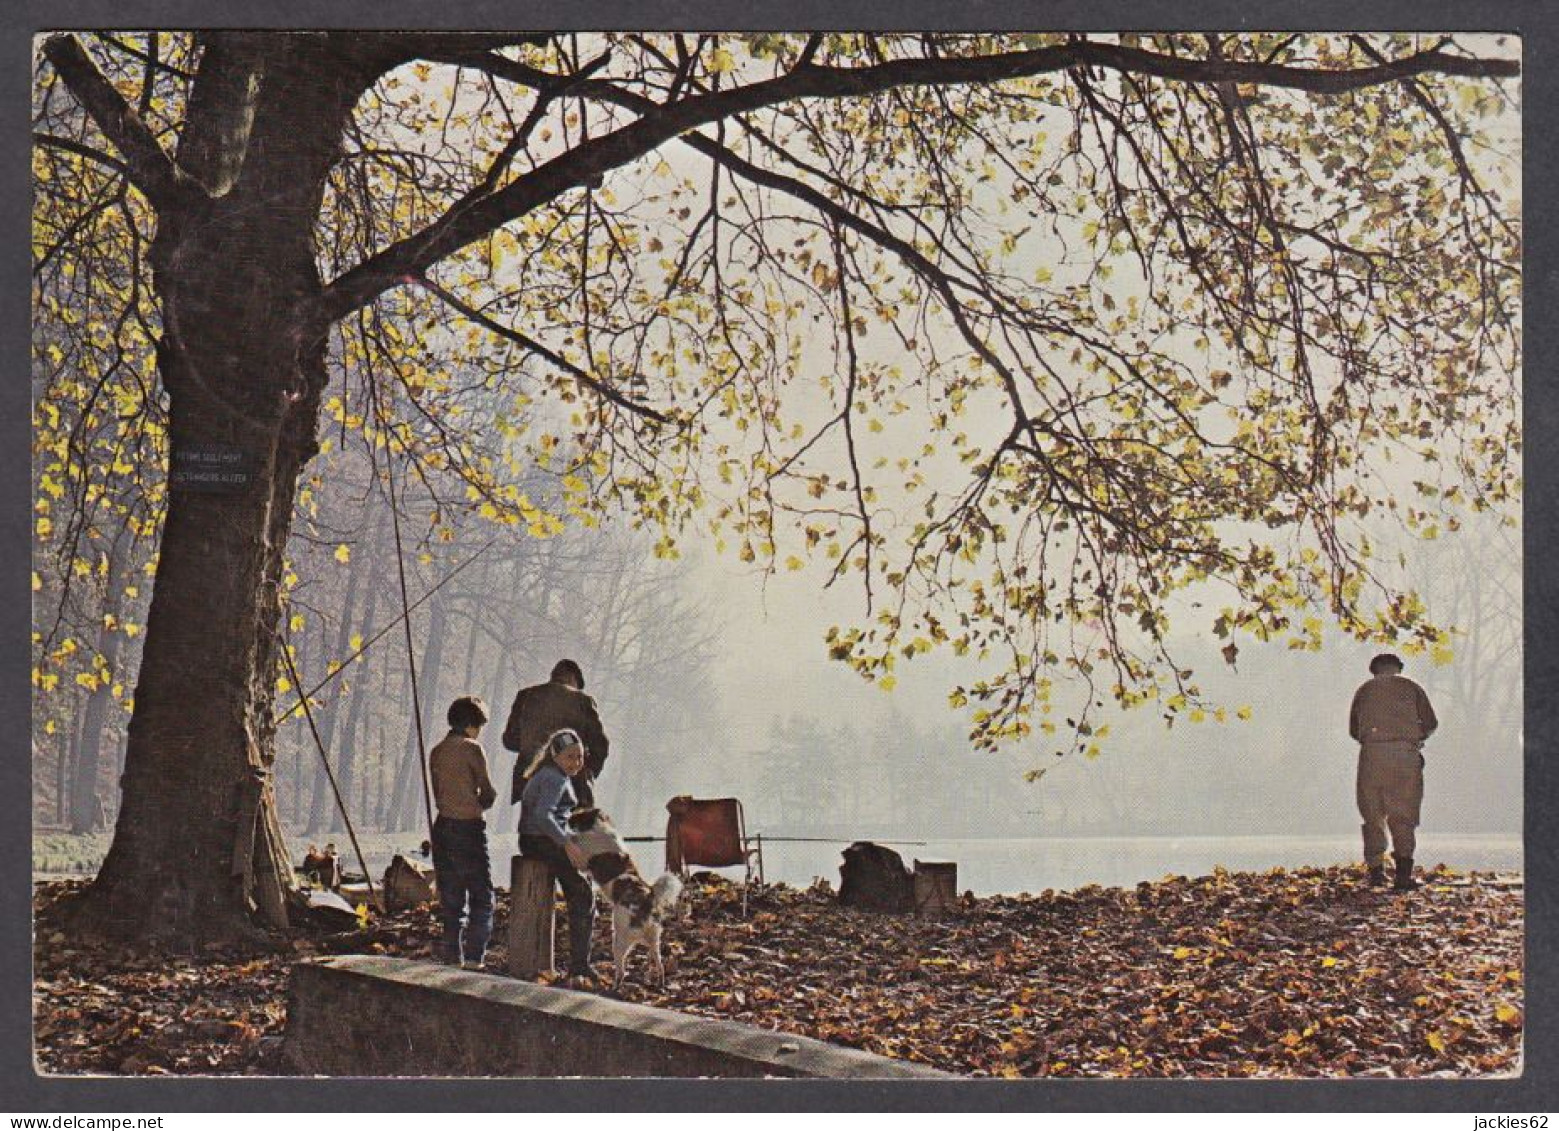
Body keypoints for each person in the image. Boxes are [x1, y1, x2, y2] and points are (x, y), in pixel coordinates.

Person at [1349, 653, 1439, 891]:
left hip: (1372, 755)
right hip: (1404, 755)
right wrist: (1414, 738)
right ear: (1398, 667)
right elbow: (1431, 724)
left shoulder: (1364, 690)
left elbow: (1354, 730)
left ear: (1374, 669)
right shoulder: (1412, 688)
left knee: (1372, 813)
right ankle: (1403, 874)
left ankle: (1376, 871)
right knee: (1404, 814)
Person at [519, 728, 599, 985]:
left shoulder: (554, 775)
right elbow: (543, 817)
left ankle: (580, 963)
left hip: (538, 840)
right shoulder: (554, 778)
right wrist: (566, 843)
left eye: (579, 757)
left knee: (582, 889)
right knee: (583, 893)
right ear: (555, 756)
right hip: (541, 842)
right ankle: (580, 965)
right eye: (569, 757)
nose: (576, 763)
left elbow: (556, 816)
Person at [428, 696, 498, 966]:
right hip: (468, 828)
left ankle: (452, 957)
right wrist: (479, 802)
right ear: (471, 724)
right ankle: (473, 959)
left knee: (452, 899)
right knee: (482, 897)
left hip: (443, 827)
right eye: (479, 725)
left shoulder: (437, 751)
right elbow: (488, 793)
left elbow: (437, 793)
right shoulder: (472, 749)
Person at [503, 659, 610, 807]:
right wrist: (586, 769)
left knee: (536, 825)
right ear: (573, 679)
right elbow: (600, 745)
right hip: (572, 782)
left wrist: (535, 753)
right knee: (570, 826)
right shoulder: (583, 701)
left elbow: (509, 740)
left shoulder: (525, 696)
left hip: (529, 779)